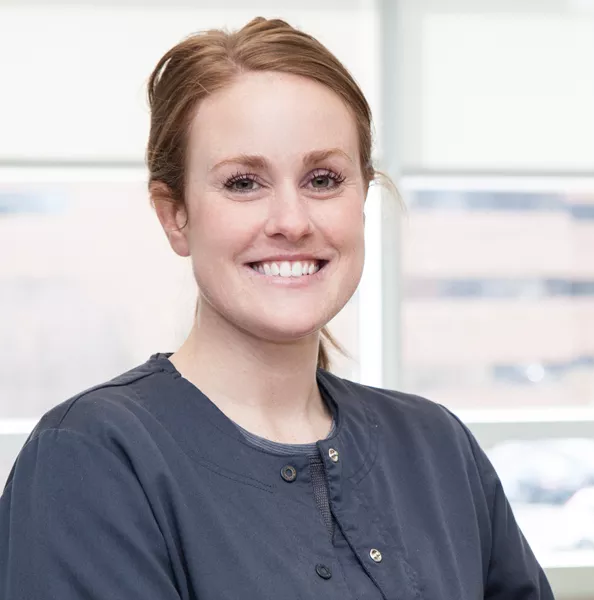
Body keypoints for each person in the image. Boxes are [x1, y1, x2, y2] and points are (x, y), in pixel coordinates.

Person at [0, 17, 554, 600]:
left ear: (362, 197)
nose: (291, 221)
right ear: (174, 214)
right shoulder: (93, 458)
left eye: (322, 179)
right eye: (243, 183)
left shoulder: (436, 447)